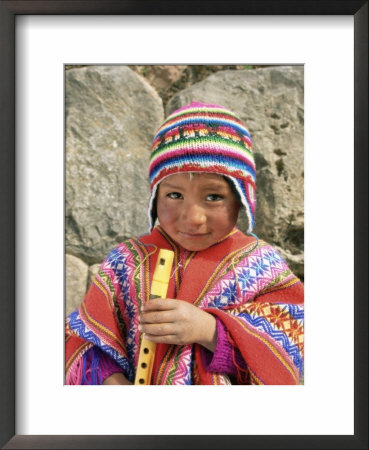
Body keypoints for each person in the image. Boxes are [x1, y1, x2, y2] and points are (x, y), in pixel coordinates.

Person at [65, 102, 304, 385]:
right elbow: (82, 341)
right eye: (175, 195)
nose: (192, 218)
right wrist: (113, 384)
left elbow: (292, 340)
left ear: (242, 200)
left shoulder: (262, 265)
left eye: (213, 197)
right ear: (155, 196)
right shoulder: (126, 261)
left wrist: (209, 330)